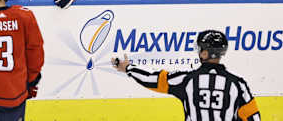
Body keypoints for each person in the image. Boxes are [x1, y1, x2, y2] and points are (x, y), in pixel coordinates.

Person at [112, 30, 261, 121]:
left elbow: (152, 80)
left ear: (204, 53)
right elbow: (253, 117)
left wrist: (129, 68)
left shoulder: (187, 80)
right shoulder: (238, 85)